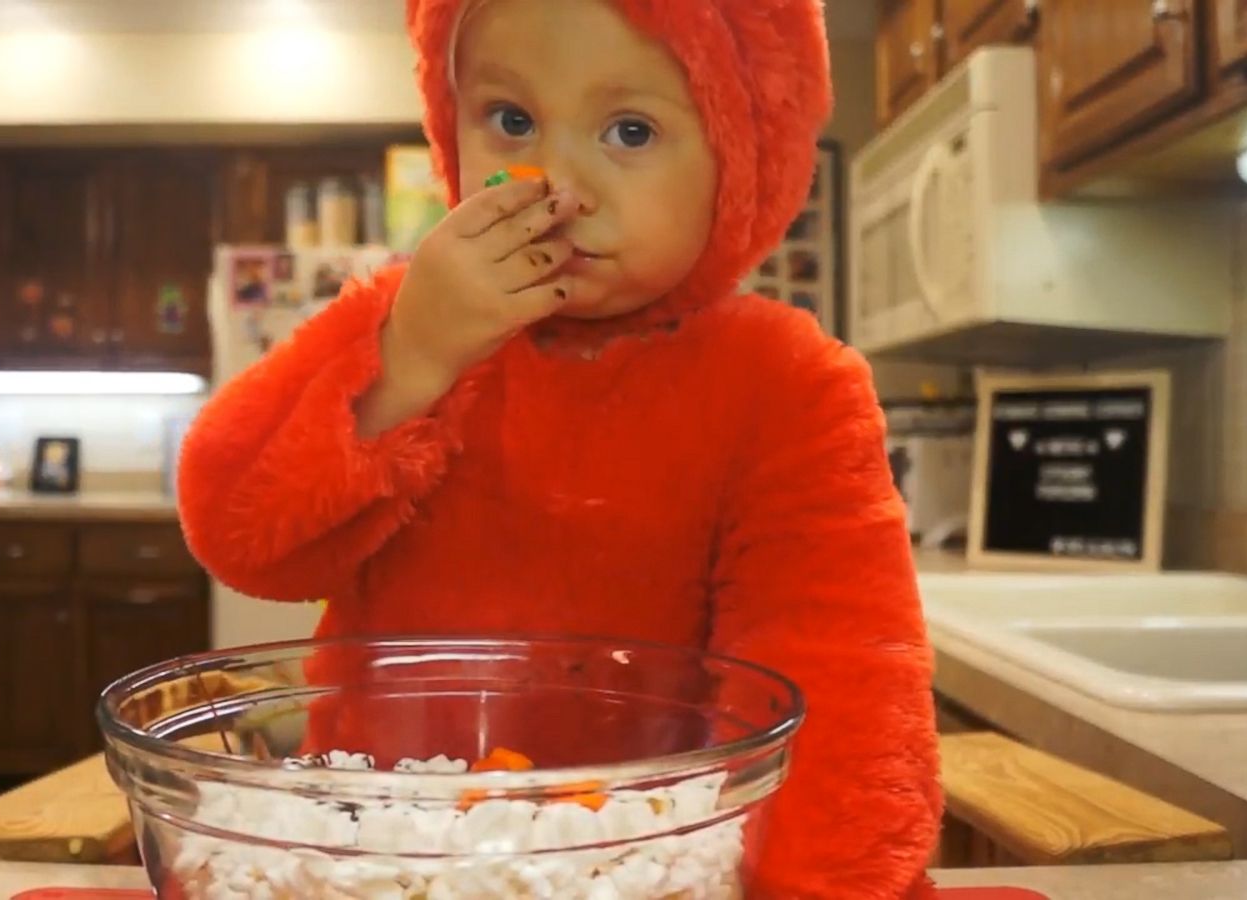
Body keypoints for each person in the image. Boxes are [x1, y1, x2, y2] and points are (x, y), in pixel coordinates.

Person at [177, 0, 941, 895]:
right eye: (511, 121)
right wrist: (407, 362)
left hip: (647, 867)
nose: (558, 185)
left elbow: (840, 685)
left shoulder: (787, 383)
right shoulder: (414, 323)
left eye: (629, 129)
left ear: (744, 157)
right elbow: (237, 532)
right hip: (376, 860)